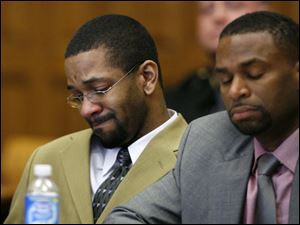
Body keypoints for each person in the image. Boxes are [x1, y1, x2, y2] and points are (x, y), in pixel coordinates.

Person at [104, 11, 299, 224]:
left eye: (254, 74)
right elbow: (128, 217)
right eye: (224, 79)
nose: (236, 90)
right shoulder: (209, 141)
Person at [4, 14, 187, 224]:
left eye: (99, 90)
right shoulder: (47, 160)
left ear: (147, 77)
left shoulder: (195, 160)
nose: (85, 109)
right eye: (77, 96)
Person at [165, 1, 267, 122]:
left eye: (233, 6)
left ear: (263, 12)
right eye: (207, 10)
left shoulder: (286, 89)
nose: (217, 16)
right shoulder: (175, 102)